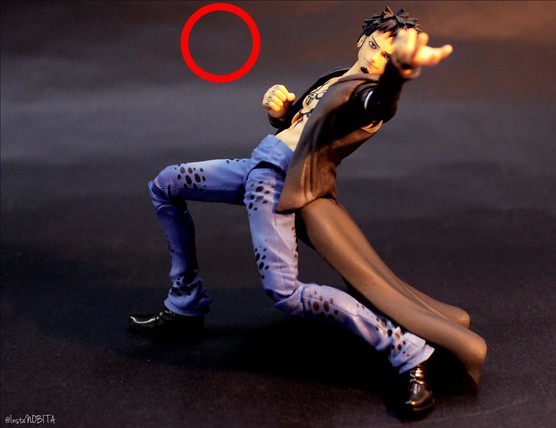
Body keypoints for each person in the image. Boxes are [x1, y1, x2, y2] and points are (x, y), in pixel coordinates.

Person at [130, 7, 486, 418]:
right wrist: (281, 111)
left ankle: (408, 351)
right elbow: (304, 125)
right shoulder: (337, 77)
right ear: (361, 41)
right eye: (375, 46)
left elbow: (379, 101)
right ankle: (185, 301)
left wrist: (398, 76)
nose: (376, 58)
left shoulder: (367, 96)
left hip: (277, 182)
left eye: (388, 57)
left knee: (285, 292)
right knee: (166, 184)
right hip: (257, 165)